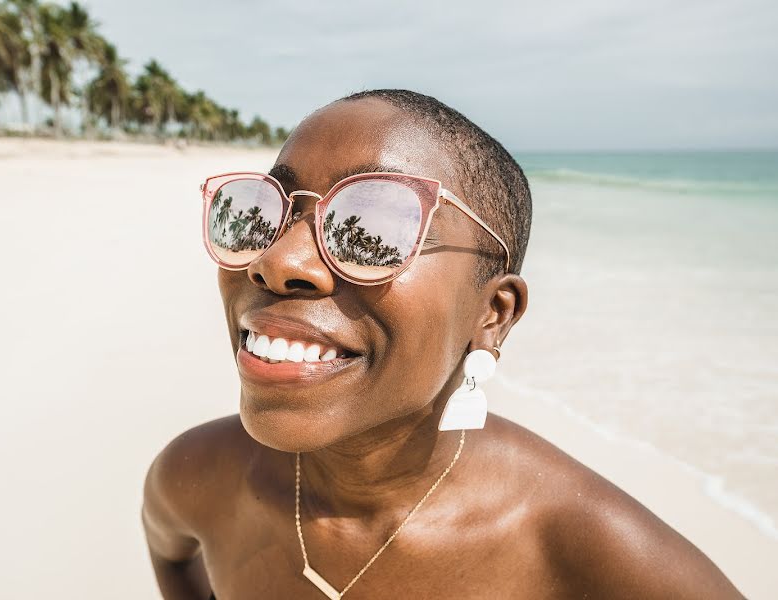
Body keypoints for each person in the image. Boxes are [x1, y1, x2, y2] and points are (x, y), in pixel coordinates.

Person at [142, 89, 744, 599]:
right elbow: (171, 557)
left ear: (493, 313)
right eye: (261, 215)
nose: (279, 260)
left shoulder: (596, 559)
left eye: (372, 229)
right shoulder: (196, 480)